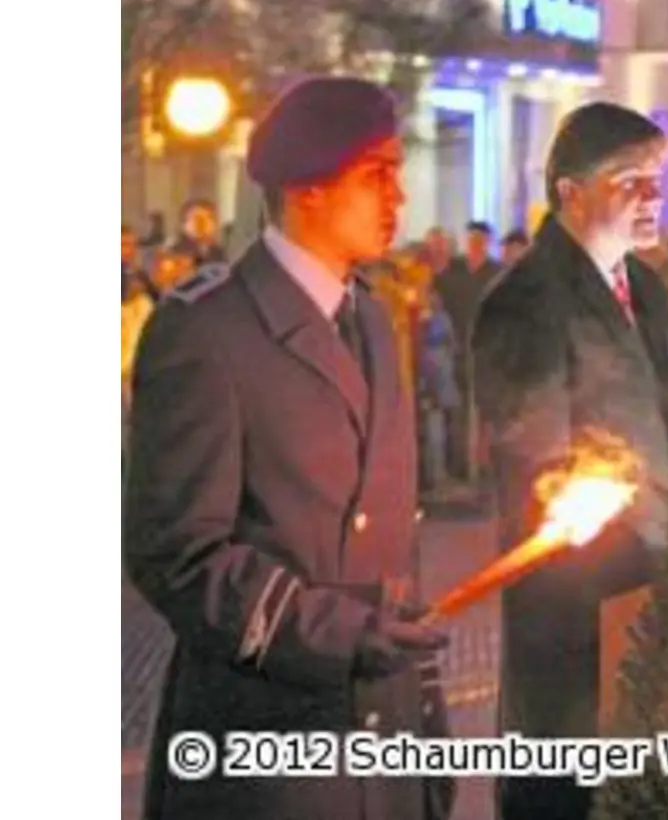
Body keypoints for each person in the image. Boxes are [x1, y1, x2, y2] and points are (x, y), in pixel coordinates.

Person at [123, 77, 451, 820]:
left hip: (384, 738)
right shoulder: (207, 330)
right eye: (377, 175)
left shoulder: (372, 320)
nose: (399, 197)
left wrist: (424, 718)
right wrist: (341, 633)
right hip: (272, 741)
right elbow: (177, 554)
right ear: (308, 187)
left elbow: (391, 536)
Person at [471, 102, 668, 820]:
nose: (654, 196)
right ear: (570, 191)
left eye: (658, 178)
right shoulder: (526, 300)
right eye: (632, 180)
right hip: (578, 604)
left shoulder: (648, 290)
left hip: (660, 589)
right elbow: (538, 469)